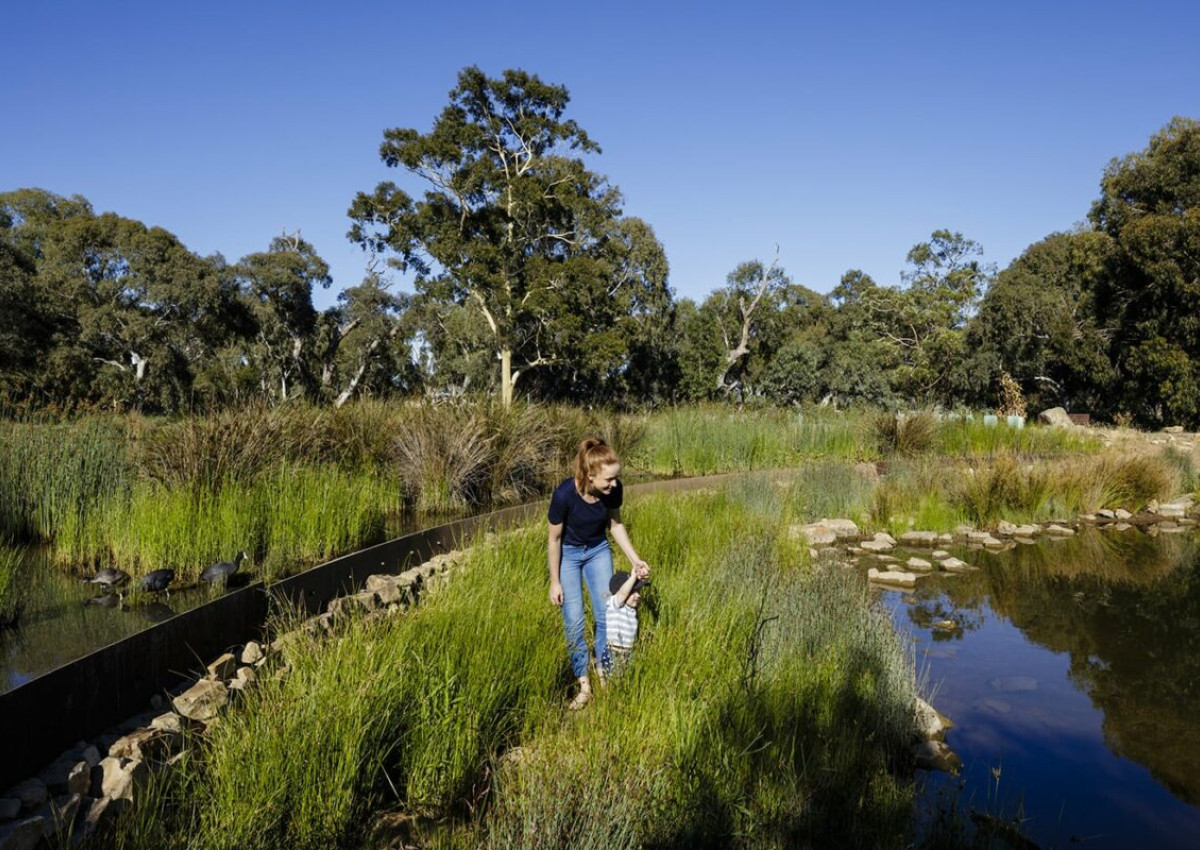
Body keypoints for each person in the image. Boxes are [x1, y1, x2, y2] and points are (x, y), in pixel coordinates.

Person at [548, 437, 648, 710]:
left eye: (616, 478)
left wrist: (635, 559)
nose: (614, 484)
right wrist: (555, 581)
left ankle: (604, 672)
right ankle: (584, 684)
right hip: (568, 555)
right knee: (574, 621)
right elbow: (554, 540)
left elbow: (615, 526)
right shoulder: (564, 495)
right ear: (589, 476)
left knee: (606, 614)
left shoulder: (613, 491)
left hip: (597, 550)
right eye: (608, 480)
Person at [605, 566, 650, 675]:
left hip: (629, 652)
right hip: (614, 652)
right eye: (633, 592)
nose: (638, 595)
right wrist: (634, 576)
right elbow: (623, 593)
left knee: (627, 680)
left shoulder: (632, 610)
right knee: (613, 682)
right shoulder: (614, 603)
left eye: (638, 591)